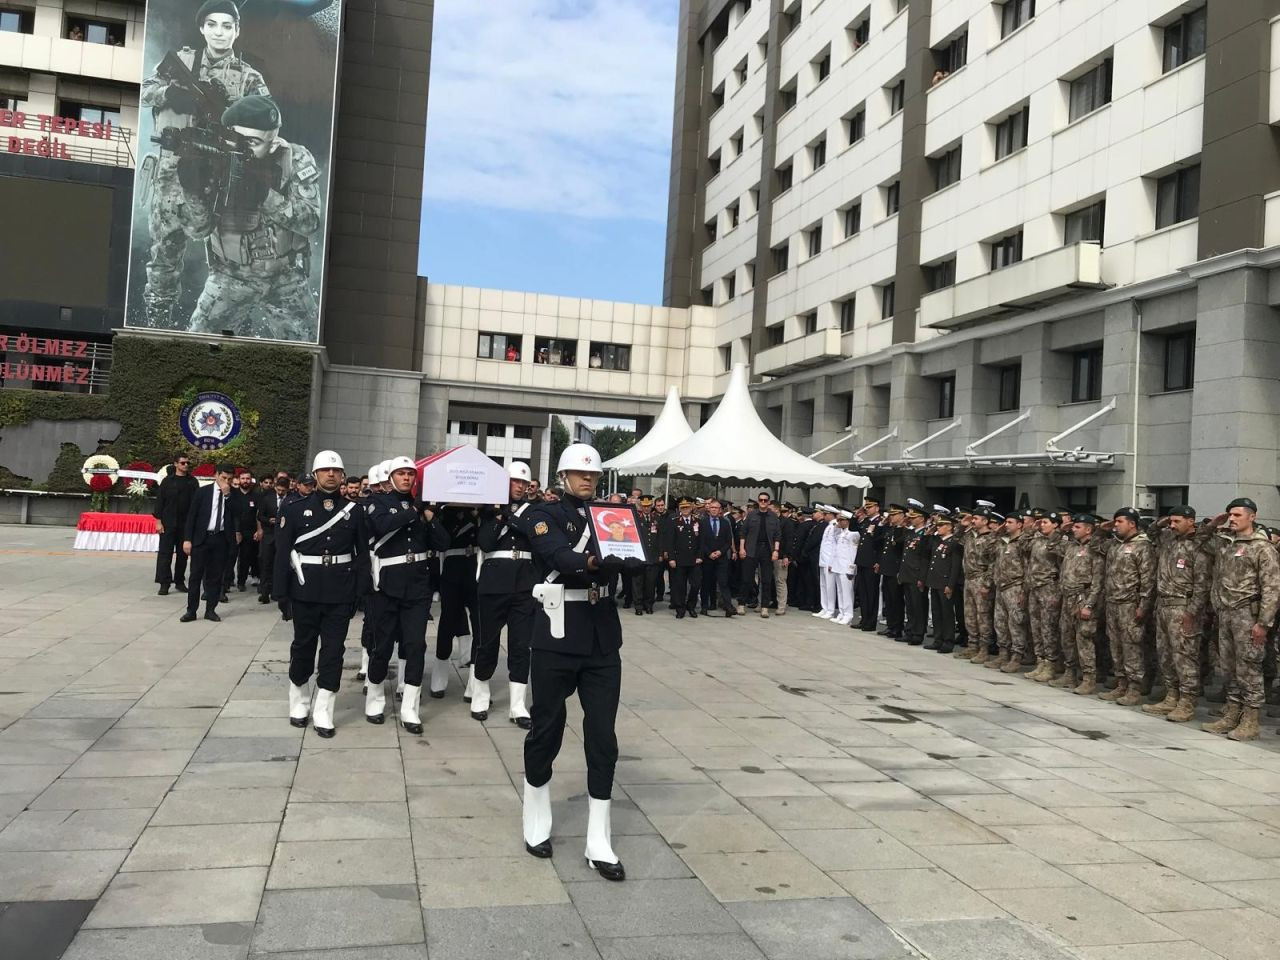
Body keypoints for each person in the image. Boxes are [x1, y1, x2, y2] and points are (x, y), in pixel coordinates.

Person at [521, 443, 638, 881]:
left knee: (603, 736)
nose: (586, 480)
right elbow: (556, 555)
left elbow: (633, 554)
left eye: (591, 474)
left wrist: (639, 561)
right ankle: (536, 818)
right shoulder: (542, 513)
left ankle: (599, 840)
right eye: (578, 473)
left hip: (602, 636)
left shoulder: (613, 515)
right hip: (556, 630)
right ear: (562, 476)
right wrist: (592, 560)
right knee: (546, 727)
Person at [138, 0, 269, 328]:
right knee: (163, 257)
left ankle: (219, 332)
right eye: (212, 24)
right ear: (202, 28)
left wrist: (232, 114)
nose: (220, 33)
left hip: (219, 179)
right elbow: (145, 91)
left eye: (227, 26)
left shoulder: (249, 77)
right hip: (170, 176)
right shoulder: (183, 61)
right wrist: (171, 94)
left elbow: (267, 123)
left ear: (237, 31)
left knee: (230, 263)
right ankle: (156, 329)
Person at [180, 94, 322, 339]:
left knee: (306, 353)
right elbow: (197, 230)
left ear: (273, 141)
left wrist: (265, 196)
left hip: (285, 277)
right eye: (237, 139)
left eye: (253, 143)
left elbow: (310, 221)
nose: (241, 148)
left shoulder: (295, 158)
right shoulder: (215, 161)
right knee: (196, 348)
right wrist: (192, 189)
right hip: (230, 276)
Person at [273, 450, 369, 738]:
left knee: (333, 651)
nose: (331, 474)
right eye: (325, 470)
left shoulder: (355, 511)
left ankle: (324, 709)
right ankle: (299, 701)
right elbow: (282, 555)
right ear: (315, 475)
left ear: (342, 475)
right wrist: (282, 594)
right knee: (302, 646)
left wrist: (360, 592)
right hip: (305, 589)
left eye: (336, 470)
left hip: (340, 590)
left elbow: (362, 554)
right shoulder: (292, 509)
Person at [363, 455, 448, 734]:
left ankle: (410, 706)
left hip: (417, 586)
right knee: (383, 645)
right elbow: (382, 527)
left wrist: (431, 518)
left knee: (415, 646)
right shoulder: (378, 502)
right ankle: (375, 697)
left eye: (410, 474)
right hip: (387, 585)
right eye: (401, 474)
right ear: (391, 478)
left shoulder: (421, 508)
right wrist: (415, 510)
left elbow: (442, 543)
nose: (407, 478)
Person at [1203, 498, 1280, 740]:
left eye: (1237, 515)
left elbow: (1272, 588)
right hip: (1225, 614)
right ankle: (1232, 712)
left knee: (1249, 668)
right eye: (1230, 515)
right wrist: (1214, 524)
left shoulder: (1262, 547)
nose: (1232, 519)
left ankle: (1251, 719)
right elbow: (1197, 542)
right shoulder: (1226, 542)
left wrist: (1264, 623)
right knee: (1228, 668)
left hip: (1248, 615)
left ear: (1252, 517)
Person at [474, 462, 539, 726]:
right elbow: (485, 543)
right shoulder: (490, 512)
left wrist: (509, 517)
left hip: (524, 582)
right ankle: (480, 695)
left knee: (521, 645)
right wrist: (498, 516)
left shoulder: (535, 512)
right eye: (515, 481)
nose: (520, 486)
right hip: (494, 582)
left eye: (524, 483)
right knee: (487, 642)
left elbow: (533, 535)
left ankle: (517, 705)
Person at [1146, 506, 1212, 722]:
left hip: (1183, 608)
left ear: (1191, 521)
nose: (1172, 526)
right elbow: (1150, 533)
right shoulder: (1168, 539)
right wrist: (1161, 522)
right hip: (1164, 606)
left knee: (1185, 656)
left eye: (1177, 521)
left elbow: (1202, 585)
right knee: (1165, 655)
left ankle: (1187, 701)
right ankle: (1171, 695)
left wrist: (1192, 613)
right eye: (1170, 522)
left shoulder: (1199, 546)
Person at [1097, 508, 1156, 706]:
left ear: (1132, 523)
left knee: (1132, 647)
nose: (1116, 525)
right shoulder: (1114, 545)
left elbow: (1147, 579)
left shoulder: (1143, 546)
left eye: (1120, 521)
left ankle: (1135, 688)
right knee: (1116, 645)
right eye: (1115, 521)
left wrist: (1143, 606)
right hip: (1112, 602)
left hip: (1130, 604)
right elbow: (1094, 545)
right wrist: (1100, 530)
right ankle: (1121, 684)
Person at [180, 461, 240, 622]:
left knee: (215, 577)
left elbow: (239, 512)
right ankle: (191, 610)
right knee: (195, 576)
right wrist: (187, 539)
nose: (226, 482)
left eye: (229, 479)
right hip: (201, 538)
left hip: (221, 539)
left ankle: (210, 610)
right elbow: (191, 516)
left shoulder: (234, 494)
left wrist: (228, 495)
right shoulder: (203, 492)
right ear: (216, 475)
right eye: (223, 478)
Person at [432, 505, 481, 697]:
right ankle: (439, 678)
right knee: (447, 624)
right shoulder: (445, 513)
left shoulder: (483, 513)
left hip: (476, 568)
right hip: (452, 570)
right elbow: (443, 541)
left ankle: (475, 683)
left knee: (479, 625)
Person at [1056, 513, 1106, 694]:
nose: (1073, 529)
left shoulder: (1095, 549)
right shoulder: (1071, 546)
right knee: (1066, 637)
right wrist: (1061, 530)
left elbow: (1098, 581)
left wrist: (1089, 605)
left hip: (1083, 598)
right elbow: (1052, 546)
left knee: (1084, 639)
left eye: (1078, 527)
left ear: (1089, 529)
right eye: (1073, 526)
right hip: (1068, 597)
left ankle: (1089, 678)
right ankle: (1070, 673)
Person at [990, 510, 1030, 670]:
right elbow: (987, 552)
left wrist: (1024, 591)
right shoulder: (1002, 541)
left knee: (1016, 623)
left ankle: (1016, 656)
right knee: (1000, 622)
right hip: (1001, 586)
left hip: (1015, 586)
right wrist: (995, 534)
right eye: (1005, 522)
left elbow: (1028, 568)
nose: (1006, 525)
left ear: (1020, 524)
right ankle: (1003, 654)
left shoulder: (1023, 542)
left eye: (1010, 522)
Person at [154, 453, 199, 594]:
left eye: (187, 463)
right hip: (168, 523)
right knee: (165, 554)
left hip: (185, 524)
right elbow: (160, 502)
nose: (185, 465)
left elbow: (196, 504)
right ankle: (164, 583)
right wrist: (158, 521)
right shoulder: (167, 481)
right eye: (182, 463)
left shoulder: (192, 482)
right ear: (175, 464)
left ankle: (179, 581)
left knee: (183, 554)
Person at [738, 492, 780, 618]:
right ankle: (741, 604)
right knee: (746, 578)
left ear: (768, 502)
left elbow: (778, 535)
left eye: (765, 500)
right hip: (751, 549)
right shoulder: (751, 515)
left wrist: (776, 551)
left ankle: (765, 607)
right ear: (758, 501)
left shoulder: (773, 517)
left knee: (767, 580)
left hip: (767, 550)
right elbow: (743, 533)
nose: (763, 502)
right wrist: (741, 549)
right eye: (761, 500)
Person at [926, 512, 963, 653]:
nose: (938, 528)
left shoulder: (954, 543)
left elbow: (955, 566)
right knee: (936, 612)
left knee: (947, 613)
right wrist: (929, 534)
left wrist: (950, 585)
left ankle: (948, 641)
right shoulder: (937, 541)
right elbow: (925, 548)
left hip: (945, 582)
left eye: (941, 525)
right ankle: (938, 639)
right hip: (935, 581)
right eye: (937, 525)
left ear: (949, 527)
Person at [663, 498, 702, 619]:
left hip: (694, 559)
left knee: (695, 585)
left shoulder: (697, 521)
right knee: (680, 586)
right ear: (680, 509)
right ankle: (680, 608)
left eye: (687, 507)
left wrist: (700, 556)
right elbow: (670, 542)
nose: (685, 510)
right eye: (683, 508)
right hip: (679, 559)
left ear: (691, 508)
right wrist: (671, 558)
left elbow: (702, 541)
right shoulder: (674, 521)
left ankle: (691, 606)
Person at [256, 471, 290, 605]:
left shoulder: (291, 499)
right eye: (278, 490)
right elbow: (260, 516)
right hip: (269, 535)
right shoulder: (267, 498)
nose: (280, 492)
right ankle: (264, 592)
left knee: (280, 564)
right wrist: (268, 520)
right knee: (266, 563)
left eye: (283, 490)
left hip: (284, 536)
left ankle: (277, 592)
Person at [898, 502, 929, 645]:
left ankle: (918, 633)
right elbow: (898, 542)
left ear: (922, 519)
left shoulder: (925, 535)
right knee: (909, 605)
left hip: (917, 574)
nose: (911, 519)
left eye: (914, 517)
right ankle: (909, 630)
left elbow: (924, 557)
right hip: (907, 573)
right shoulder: (910, 533)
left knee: (918, 606)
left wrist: (922, 577)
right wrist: (901, 525)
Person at [699, 498, 737, 616]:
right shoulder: (703, 522)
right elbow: (701, 541)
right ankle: (705, 606)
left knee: (723, 582)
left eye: (716, 508)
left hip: (721, 558)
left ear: (720, 510)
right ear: (709, 509)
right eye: (712, 508)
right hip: (707, 557)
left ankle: (728, 606)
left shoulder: (725, 522)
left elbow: (728, 540)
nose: (714, 510)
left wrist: (720, 552)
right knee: (706, 582)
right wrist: (709, 553)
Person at [854, 497, 884, 630]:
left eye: (870, 507)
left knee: (871, 592)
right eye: (866, 507)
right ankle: (864, 619)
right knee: (862, 592)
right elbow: (853, 527)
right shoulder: (866, 521)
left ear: (877, 508)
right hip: (862, 561)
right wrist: (857, 514)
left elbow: (880, 544)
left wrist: (878, 561)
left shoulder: (880, 522)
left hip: (871, 562)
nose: (867, 509)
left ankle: (871, 622)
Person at [877, 504, 907, 638]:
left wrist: (900, 527)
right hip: (887, 569)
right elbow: (877, 541)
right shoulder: (890, 529)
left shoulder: (904, 530)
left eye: (894, 515)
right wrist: (881, 525)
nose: (891, 517)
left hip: (896, 569)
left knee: (896, 600)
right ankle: (890, 625)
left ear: (902, 516)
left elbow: (899, 544)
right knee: (888, 599)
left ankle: (897, 627)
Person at [632, 496, 662, 615]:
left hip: (653, 556)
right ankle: (638, 606)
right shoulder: (636, 518)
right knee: (638, 582)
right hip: (639, 555)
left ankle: (648, 604)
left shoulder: (657, 519)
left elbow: (661, 538)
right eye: (644, 506)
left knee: (651, 583)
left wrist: (660, 553)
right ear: (641, 506)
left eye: (648, 506)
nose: (646, 508)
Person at [831, 511, 856, 625]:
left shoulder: (853, 534)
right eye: (838, 520)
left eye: (841, 520)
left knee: (847, 593)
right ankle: (841, 612)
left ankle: (848, 614)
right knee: (840, 592)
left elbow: (853, 552)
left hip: (846, 567)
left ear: (847, 521)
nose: (839, 522)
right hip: (838, 566)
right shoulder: (841, 533)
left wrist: (851, 568)